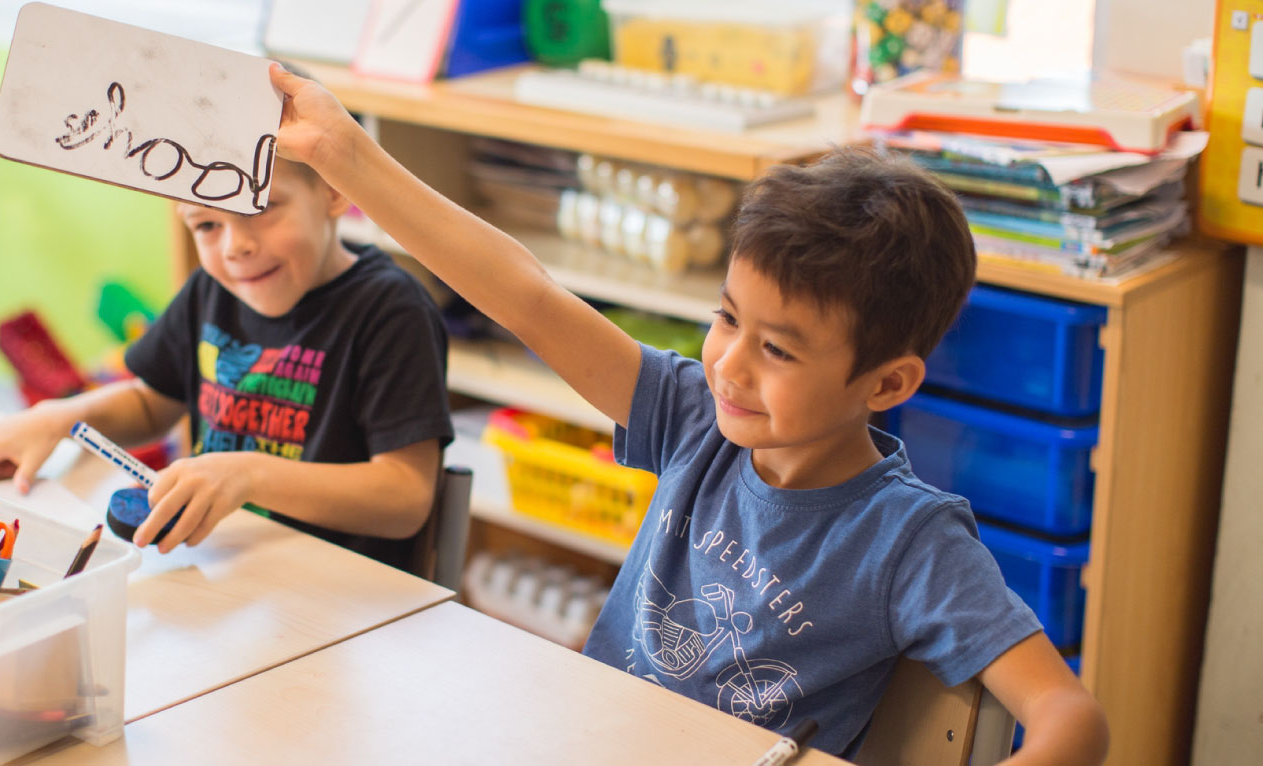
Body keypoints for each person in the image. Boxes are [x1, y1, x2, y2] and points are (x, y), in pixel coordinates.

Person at [264, 63, 1109, 762]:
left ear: (886, 385)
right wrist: (344, 150)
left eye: (778, 351)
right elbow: (522, 292)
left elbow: (1074, 721)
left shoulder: (910, 543)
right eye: (727, 317)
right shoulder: (693, 416)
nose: (730, 365)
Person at [0, 149, 454, 571]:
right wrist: (66, 418)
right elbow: (150, 406)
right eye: (206, 224)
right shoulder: (211, 290)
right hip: (231, 569)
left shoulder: (391, 311)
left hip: (343, 601)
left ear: (332, 192)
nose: (234, 246)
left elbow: (406, 496)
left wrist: (250, 475)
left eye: (260, 209)